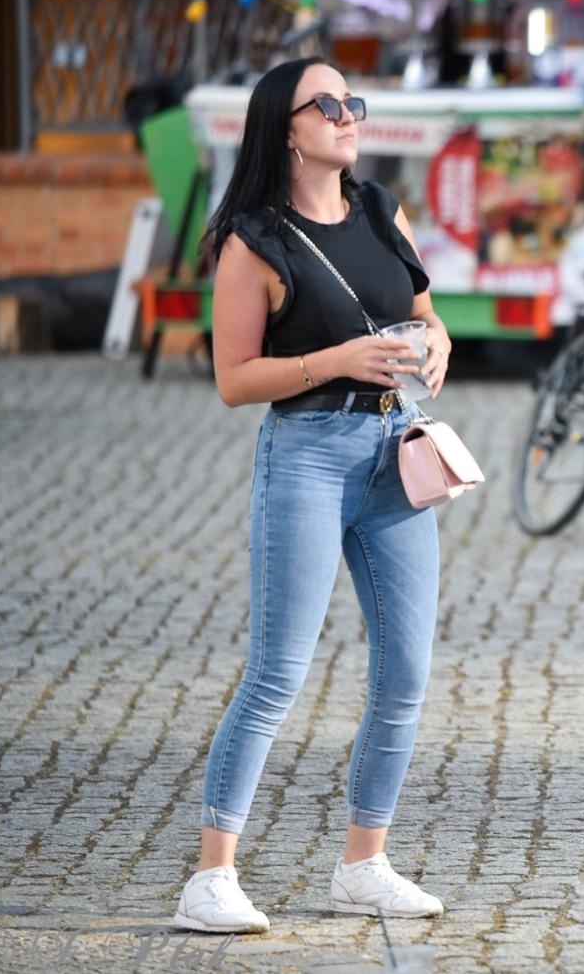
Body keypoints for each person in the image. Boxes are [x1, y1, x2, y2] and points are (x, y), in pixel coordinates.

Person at [176, 57, 449, 932]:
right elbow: (233, 379)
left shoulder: (380, 209)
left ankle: (364, 864)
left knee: (406, 673)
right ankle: (211, 877)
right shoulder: (255, 242)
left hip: (395, 452)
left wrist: (438, 341)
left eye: (352, 101)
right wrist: (335, 361)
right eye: (327, 104)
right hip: (307, 456)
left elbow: (423, 309)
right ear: (285, 129)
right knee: (278, 672)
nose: (347, 114)